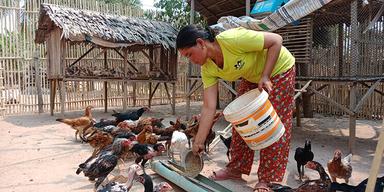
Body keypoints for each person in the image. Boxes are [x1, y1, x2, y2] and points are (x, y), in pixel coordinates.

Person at [176, 25, 295, 192]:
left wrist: (266, 75)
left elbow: (276, 41)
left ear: (201, 43)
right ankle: (237, 168)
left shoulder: (232, 40)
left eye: (189, 54)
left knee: (271, 124)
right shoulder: (207, 68)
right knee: (240, 119)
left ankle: (268, 179)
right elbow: (209, 107)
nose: (191, 60)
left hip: (278, 68)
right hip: (252, 75)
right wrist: (199, 141)